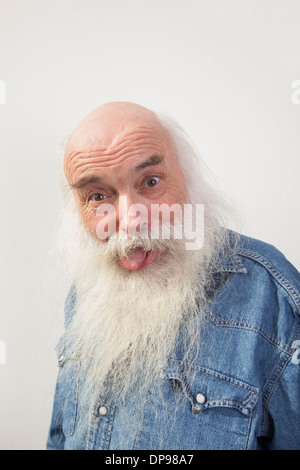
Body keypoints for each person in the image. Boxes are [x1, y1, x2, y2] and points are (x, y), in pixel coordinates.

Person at [46, 101, 300, 450]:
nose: (132, 219)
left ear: (187, 179)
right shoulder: (87, 289)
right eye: (97, 195)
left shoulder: (272, 295)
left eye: (150, 182)